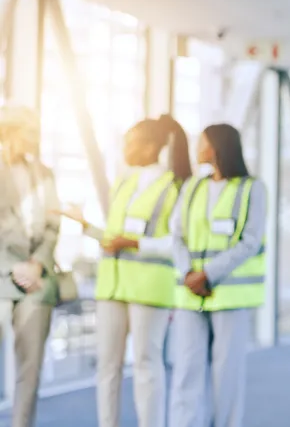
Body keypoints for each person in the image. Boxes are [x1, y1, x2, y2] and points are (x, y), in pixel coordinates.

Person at [60, 115, 192, 427]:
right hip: (112, 287)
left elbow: (176, 242)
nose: (125, 149)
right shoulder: (125, 182)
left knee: (147, 364)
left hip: (149, 286)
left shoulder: (175, 186)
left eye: (130, 143)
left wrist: (135, 243)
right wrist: (86, 227)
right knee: (107, 366)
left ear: (150, 146)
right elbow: (113, 237)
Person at [168, 123, 266, 427]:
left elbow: (250, 241)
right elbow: (177, 235)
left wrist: (207, 274)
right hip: (191, 294)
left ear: (218, 147)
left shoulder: (252, 188)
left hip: (228, 296)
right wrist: (188, 273)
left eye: (203, 141)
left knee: (226, 377)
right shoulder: (192, 187)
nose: (198, 147)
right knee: (187, 371)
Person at [0, 105, 60, 427]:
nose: (36, 139)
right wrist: (12, 267)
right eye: (30, 132)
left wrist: (36, 263)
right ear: (10, 131)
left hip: (35, 280)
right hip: (2, 276)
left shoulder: (45, 174)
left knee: (30, 368)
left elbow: (53, 225)